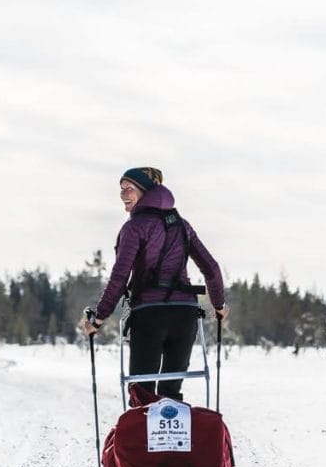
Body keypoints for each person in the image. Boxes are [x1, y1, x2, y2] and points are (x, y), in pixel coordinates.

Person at [83, 167, 228, 401]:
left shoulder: (134, 227)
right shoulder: (182, 225)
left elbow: (120, 277)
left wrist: (98, 318)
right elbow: (212, 268)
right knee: (171, 394)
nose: (123, 194)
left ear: (145, 192)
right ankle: (175, 425)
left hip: (149, 316)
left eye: (129, 188)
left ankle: (143, 422)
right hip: (185, 316)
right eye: (121, 189)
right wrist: (219, 305)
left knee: (142, 393)